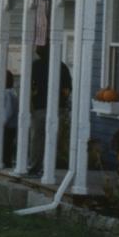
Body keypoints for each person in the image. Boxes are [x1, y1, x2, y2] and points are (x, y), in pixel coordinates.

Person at [28, 46, 71, 174]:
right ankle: (49, 168)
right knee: (54, 139)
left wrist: (31, 104)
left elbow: (30, 87)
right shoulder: (62, 67)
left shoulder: (35, 66)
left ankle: (35, 166)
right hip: (58, 108)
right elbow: (67, 90)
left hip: (39, 107)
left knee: (37, 139)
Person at [0, 71, 19, 167]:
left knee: (6, 145)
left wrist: (3, 122)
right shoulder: (12, 91)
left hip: (7, 124)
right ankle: (7, 162)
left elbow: (8, 109)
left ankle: (6, 163)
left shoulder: (6, 92)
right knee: (9, 144)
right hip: (13, 124)